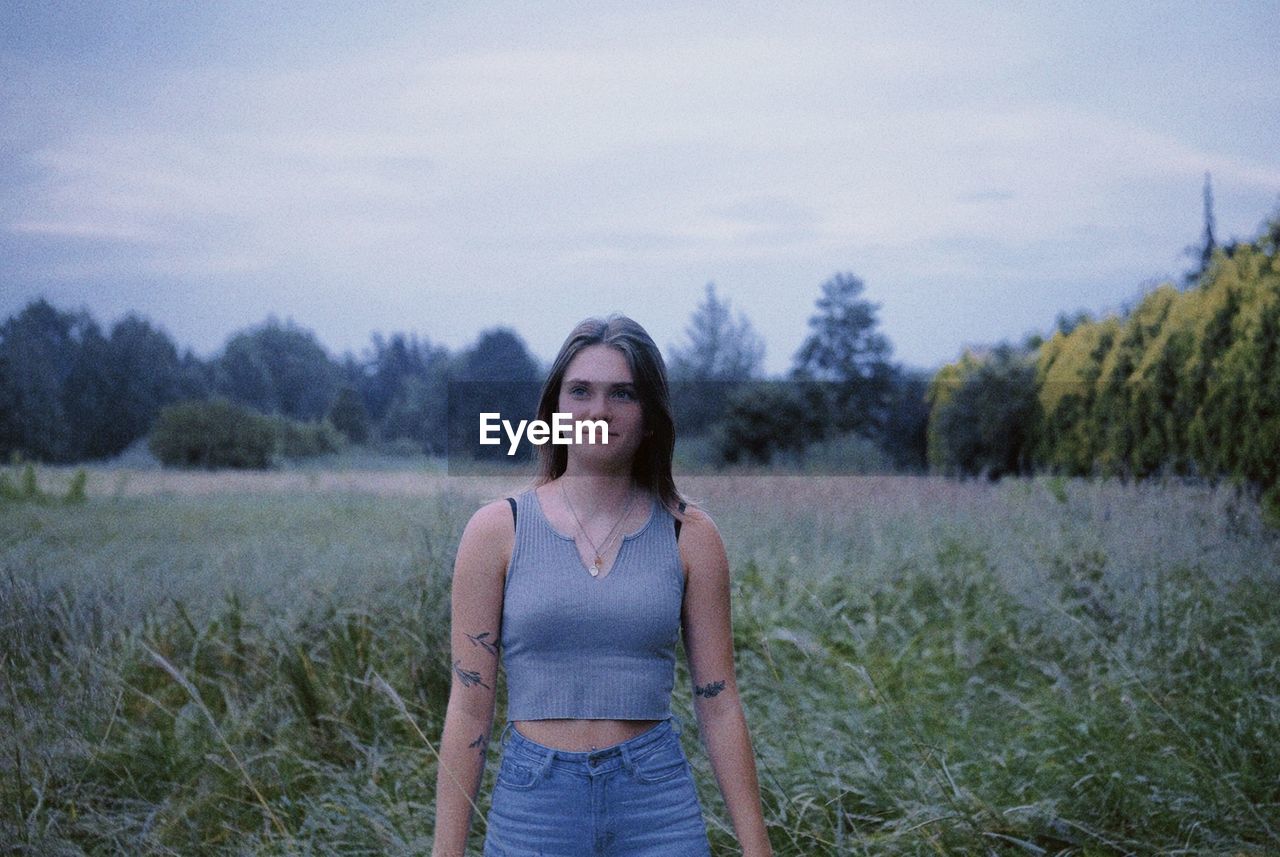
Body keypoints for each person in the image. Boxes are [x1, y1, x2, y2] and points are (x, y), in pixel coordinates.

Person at [430, 314, 773, 857]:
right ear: (554, 410)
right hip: (533, 809)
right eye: (581, 391)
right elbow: (470, 706)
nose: (598, 411)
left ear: (650, 417)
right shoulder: (497, 530)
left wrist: (758, 849)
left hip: (656, 806)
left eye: (623, 394)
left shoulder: (692, 536)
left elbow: (720, 703)